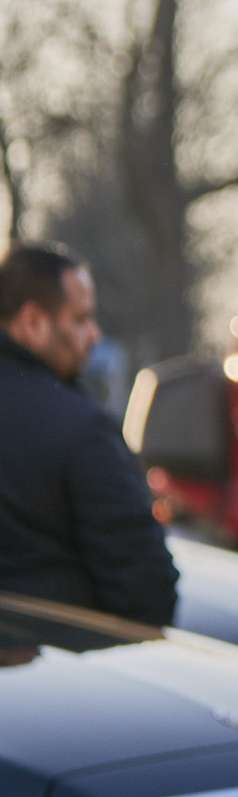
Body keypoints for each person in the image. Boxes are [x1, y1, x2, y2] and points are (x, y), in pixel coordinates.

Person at [0, 243, 178, 627]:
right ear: (33, 322)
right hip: (57, 668)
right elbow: (146, 592)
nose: (94, 335)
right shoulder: (81, 429)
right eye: (80, 319)